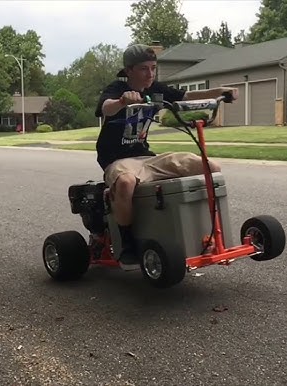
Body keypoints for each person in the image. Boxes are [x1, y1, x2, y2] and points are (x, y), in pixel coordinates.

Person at [94, 43, 239, 267]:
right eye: (144, 69)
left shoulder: (156, 90)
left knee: (211, 167)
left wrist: (219, 92)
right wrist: (123, 101)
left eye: (153, 68)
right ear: (129, 70)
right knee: (125, 182)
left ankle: (213, 234)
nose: (150, 74)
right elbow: (106, 108)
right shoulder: (117, 89)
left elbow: (187, 96)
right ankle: (127, 244)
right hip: (118, 160)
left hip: (147, 158)